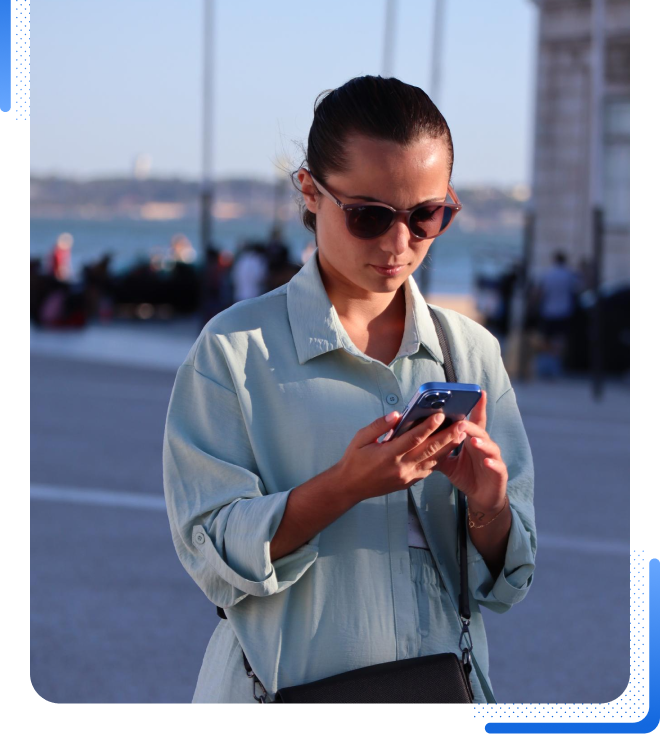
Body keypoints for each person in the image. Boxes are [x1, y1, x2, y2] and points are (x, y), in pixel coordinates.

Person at [163, 75, 536, 705]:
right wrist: (345, 487)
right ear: (309, 190)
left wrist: (489, 506)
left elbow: (504, 584)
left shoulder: (470, 351)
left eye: (426, 216)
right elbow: (210, 551)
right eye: (369, 216)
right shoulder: (232, 351)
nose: (399, 243)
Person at [533, 251, 581, 378]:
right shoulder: (569, 275)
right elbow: (577, 290)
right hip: (564, 311)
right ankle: (555, 367)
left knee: (546, 339)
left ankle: (545, 367)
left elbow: (540, 293)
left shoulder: (548, 274)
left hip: (548, 311)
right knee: (559, 340)